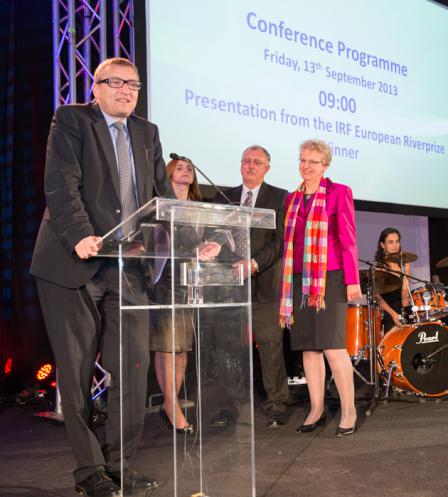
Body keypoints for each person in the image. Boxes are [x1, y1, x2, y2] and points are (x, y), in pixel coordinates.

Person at [30, 58, 220, 497]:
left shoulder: (147, 133)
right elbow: (62, 184)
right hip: (71, 264)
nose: (125, 90)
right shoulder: (72, 120)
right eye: (114, 83)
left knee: (133, 371)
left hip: (127, 269)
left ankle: (119, 463)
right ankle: (89, 471)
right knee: (76, 374)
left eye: (132, 84)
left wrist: (192, 244)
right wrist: (80, 235)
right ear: (95, 87)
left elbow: (158, 202)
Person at [279, 139, 362, 437]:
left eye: (313, 161)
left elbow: (348, 238)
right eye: (302, 160)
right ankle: (316, 409)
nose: (306, 166)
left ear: (325, 165)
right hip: (300, 279)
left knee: (332, 346)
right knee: (308, 348)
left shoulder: (339, 192)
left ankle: (349, 409)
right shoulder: (291, 199)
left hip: (333, 276)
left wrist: (353, 279)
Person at [213, 145, 289, 427]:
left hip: (265, 282)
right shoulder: (225, 196)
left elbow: (281, 240)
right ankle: (227, 405)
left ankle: (277, 403)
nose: (251, 165)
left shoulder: (280, 197)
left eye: (257, 162)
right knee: (227, 348)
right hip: (230, 283)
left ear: (267, 167)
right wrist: (227, 258)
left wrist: (254, 263)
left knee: (270, 346)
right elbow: (217, 233)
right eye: (246, 160)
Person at [150, 155, 203, 435]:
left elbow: (202, 242)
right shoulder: (160, 205)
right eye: (180, 167)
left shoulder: (199, 208)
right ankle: (171, 405)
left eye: (189, 168)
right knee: (167, 346)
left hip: (189, 282)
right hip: (166, 278)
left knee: (182, 348)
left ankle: (172, 402)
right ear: (169, 174)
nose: (185, 171)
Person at [373, 228, 411, 332]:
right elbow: (376, 296)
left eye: (397, 241)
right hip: (385, 309)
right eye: (390, 242)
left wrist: (406, 314)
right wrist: (393, 314)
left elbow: (405, 293)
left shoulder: (405, 263)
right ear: (382, 245)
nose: (395, 246)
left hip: (401, 305)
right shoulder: (379, 266)